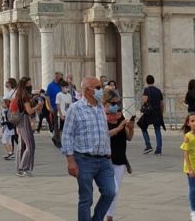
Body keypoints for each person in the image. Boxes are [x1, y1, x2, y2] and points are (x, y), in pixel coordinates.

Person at [60, 76, 116, 221]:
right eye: (98, 88)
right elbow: (67, 135)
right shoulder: (75, 109)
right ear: (87, 90)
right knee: (86, 198)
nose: (101, 90)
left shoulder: (100, 108)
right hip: (84, 159)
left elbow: (103, 132)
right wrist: (70, 161)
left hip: (104, 160)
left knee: (110, 192)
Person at [102, 90, 134, 221]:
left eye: (117, 103)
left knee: (115, 191)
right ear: (106, 103)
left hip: (120, 160)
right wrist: (120, 128)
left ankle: (110, 216)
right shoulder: (101, 117)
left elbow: (128, 137)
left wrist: (130, 128)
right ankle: (104, 214)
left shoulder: (120, 117)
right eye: (113, 103)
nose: (116, 106)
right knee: (112, 190)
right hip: (106, 159)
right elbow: (105, 134)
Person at [11, 77, 39, 177]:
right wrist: (38, 106)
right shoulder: (24, 95)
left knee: (21, 145)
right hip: (24, 120)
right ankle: (23, 168)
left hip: (19, 121)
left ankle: (19, 168)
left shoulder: (18, 93)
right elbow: (29, 111)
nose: (31, 84)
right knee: (30, 145)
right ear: (26, 84)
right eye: (30, 82)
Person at [140, 75, 165, 154]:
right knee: (157, 130)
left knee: (143, 127)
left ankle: (148, 145)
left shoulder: (146, 90)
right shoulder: (158, 90)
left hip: (149, 113)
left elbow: (144, 100)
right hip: (157, 112)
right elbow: (161, 103)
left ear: (147, 81)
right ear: (153, 81)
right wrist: (161, 112)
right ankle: (159, 149)